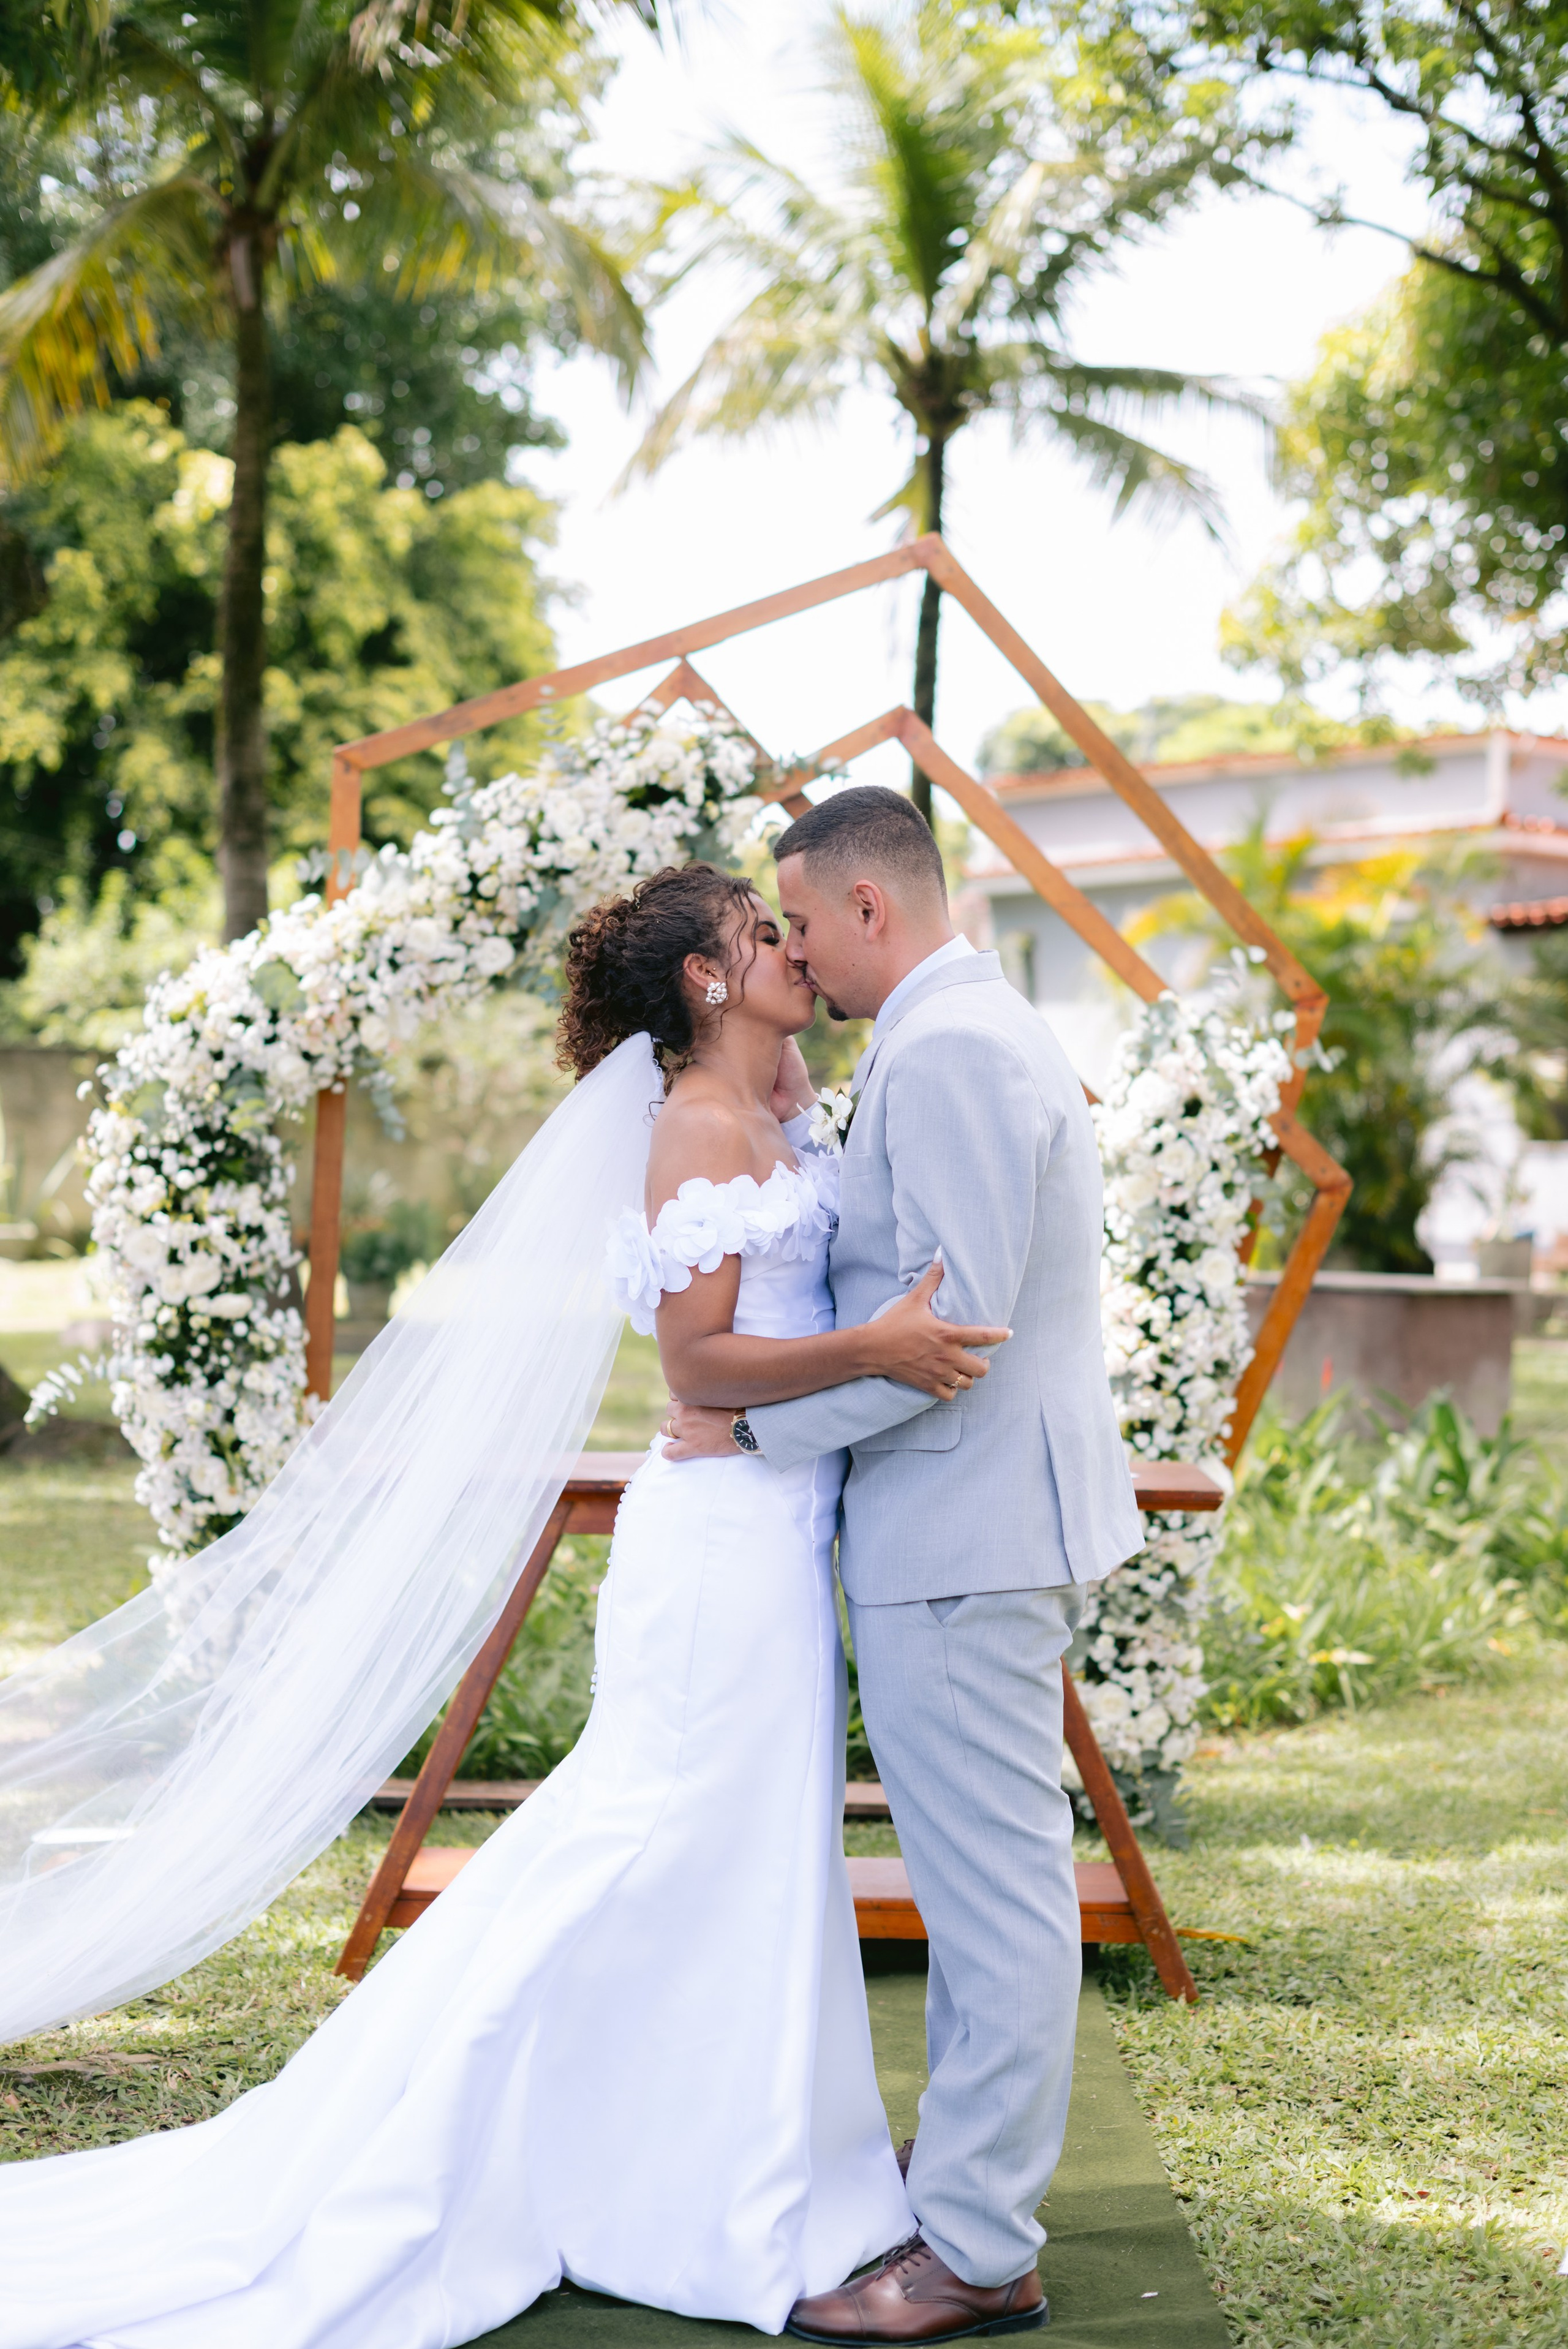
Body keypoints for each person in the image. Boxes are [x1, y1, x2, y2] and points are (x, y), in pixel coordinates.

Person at [0, 856, 1011, 2349]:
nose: (791, 949)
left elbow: (874, 1026)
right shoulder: (694, 1125)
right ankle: (487, 2128)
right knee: (638, 1840)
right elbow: (697, 1370)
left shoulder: (778, 1094)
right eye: (758, 935)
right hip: (715, 1547)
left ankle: (739, 2158)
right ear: (702, 981)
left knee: (741, 1859)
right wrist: (874, 1346)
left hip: (779, 1535)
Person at [666, 785, 1144, 2345]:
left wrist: (752, 1441)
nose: (793, 949)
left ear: (869, 907)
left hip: (958, 1518)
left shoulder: (939, 1051)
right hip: (978, 1517)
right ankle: (963, 2190)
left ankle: (978, 2249)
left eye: (798, 921)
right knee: (975, 1880)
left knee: (993, 1895)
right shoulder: (966, 1028)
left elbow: (952, 1335)